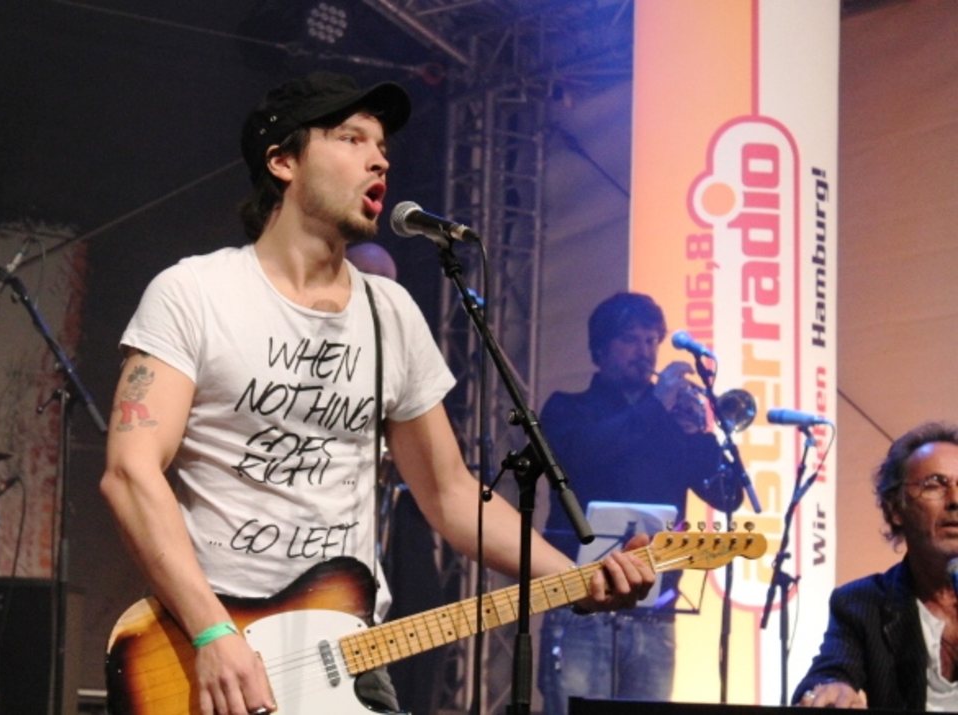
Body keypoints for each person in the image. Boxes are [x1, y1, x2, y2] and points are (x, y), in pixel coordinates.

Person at [99, 71, 656, 715]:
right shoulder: (195, 294)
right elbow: (130, 472)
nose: (379, 159)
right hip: (216, 650)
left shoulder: (389, 312)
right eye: (351, 138)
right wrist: (212, 631)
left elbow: (449, 493)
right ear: (282, 162)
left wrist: (575, 578)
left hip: (348, 653)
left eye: (383, 146)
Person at [537, 291, 745, 713]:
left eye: (652, 341)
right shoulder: (569, 409)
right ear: (600, 349)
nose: (645, 352)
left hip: (654, 611)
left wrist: (701, 436)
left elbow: (727, 496)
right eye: (631, 340)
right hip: (582, 606)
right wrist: (656, 406)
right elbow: (582, 456)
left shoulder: (670, 420)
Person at [794, 420, 958, 711]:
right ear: (895, 510)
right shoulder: (861, 604)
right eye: (934, 485)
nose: (955, 500)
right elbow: (831, 673)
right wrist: (832, 689)